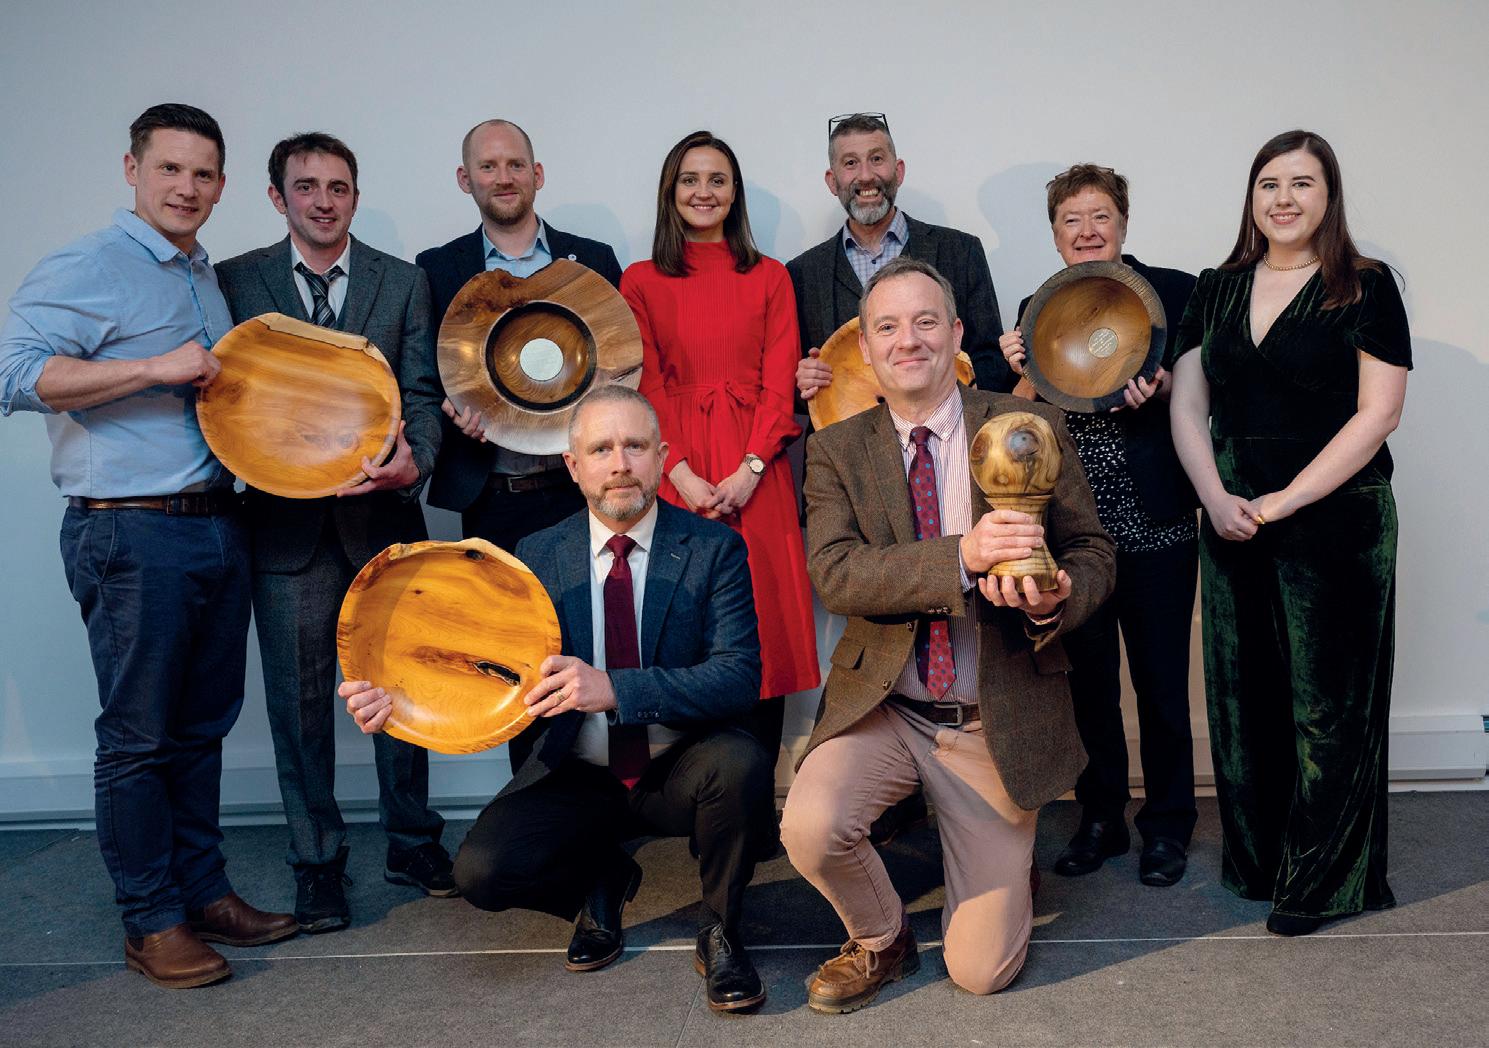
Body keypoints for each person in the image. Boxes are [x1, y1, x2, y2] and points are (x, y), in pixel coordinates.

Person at [340, 385, 777, 1011]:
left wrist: (615, 688)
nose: (619, 464)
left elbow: (738, 676)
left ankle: (721, 929)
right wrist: (396, 703)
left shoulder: (713, 548)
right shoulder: (535, 556)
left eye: (635, 446)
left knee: (741, 763)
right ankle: (599, 882)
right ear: (573, 466)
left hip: (680, 764)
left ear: (661, 458)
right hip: (578, 772)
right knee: (481, 873)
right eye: (600, 449)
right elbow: (479, 671)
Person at [0, 103, 297, 988]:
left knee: (201, 728)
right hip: (128, 530)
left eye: (203, 173)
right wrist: (152, 368)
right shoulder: (90, 264)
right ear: (132, 170)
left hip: (215, 522)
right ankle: (151, 919)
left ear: (222, 185)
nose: (186, 187)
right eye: (169, 168)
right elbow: (13, 373)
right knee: (138, 737)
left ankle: (203, 893)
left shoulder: (203, 273)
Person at [782, 257, 1115, 1010]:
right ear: (866, 348)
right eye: (887, 327)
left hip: (991, 720)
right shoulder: (837, 448)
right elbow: (836, 574)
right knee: (808, 826)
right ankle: (881, 938)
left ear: (957, 335)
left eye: (925, 321)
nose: (908, 340)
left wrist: (1054, 599)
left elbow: (1092, 551)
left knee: (980, 972)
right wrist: (962, 556)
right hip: (888, 709)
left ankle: (1005, 863)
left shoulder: (1027, 425)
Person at [1167, 130, 1410, 936]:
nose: (1282, 198)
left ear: (1327, 197)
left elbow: (1378, 413)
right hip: (1230, 519)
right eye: (1268, 183)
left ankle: (1325, 882)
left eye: (1301, 183)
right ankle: (1260, 861)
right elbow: (1187, 404)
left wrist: (1284, 501)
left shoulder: (1365, 285)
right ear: (1251, 197)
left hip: (1336, 521)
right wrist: (1214, 496)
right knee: (1245, 707)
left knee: (1327, 712)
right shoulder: (1216, 288)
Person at [215, 132, 454, 934]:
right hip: (285, 535)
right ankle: (317, 863)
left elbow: (421, 393)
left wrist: (414, 462)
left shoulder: (402, 280)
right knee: (299, 706)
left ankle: (413, 842)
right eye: (307, 186)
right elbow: (224, 399)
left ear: (355, 195)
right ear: (277, 196)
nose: (324, 201)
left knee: (404, 688)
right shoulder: (236, 281)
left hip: (383, 523)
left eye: (338, 187)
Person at [998, 164, 1199, 886]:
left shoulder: (1174, 292)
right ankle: (1101, 816)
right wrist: (1021, 373)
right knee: (1087, 686)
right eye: (1071, 220)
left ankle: (1168, 824)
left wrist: (1166, 385)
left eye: (1099, 216)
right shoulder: (1035, 307)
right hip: (1077, 534)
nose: (1086, 231)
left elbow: (1208, 397)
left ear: (1123, 222)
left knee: (1161, 685)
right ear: (1055, 236)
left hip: (1158, 524)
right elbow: (1016, 422)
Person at [620, 130, 820, 763]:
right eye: (690, 179)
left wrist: (750, 470)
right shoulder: (640, 280)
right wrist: (677, 473)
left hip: (755, 469)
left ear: (735, 194)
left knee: (762, 621)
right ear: (670, 191)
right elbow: (645, 386)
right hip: (675, 467)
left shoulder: (770, 276)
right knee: (683, 621)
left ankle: (754, 791)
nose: (703, 192)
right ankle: (693, 789)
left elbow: (779, 384)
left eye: (717, 180)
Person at [416, 119, 624, 551]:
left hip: (583, 488)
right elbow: (423, 376)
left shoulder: (592, 260)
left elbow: (623, 364)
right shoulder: (437, 269)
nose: (504, 178)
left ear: (537, 174)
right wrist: (450, 409)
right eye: (488, 167)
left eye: (516, 164)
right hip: (491, 496)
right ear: (465, 179)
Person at [791, 112, 1014, 399]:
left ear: (898, 171)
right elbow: (792, 386)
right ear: (832, 181)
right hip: (843, 427)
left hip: (948, 424)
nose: (866, 176)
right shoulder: (801, 273)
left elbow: (991, 361)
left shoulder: (961, 251)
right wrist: (801, 380)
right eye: (850, 163)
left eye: (877, 159)